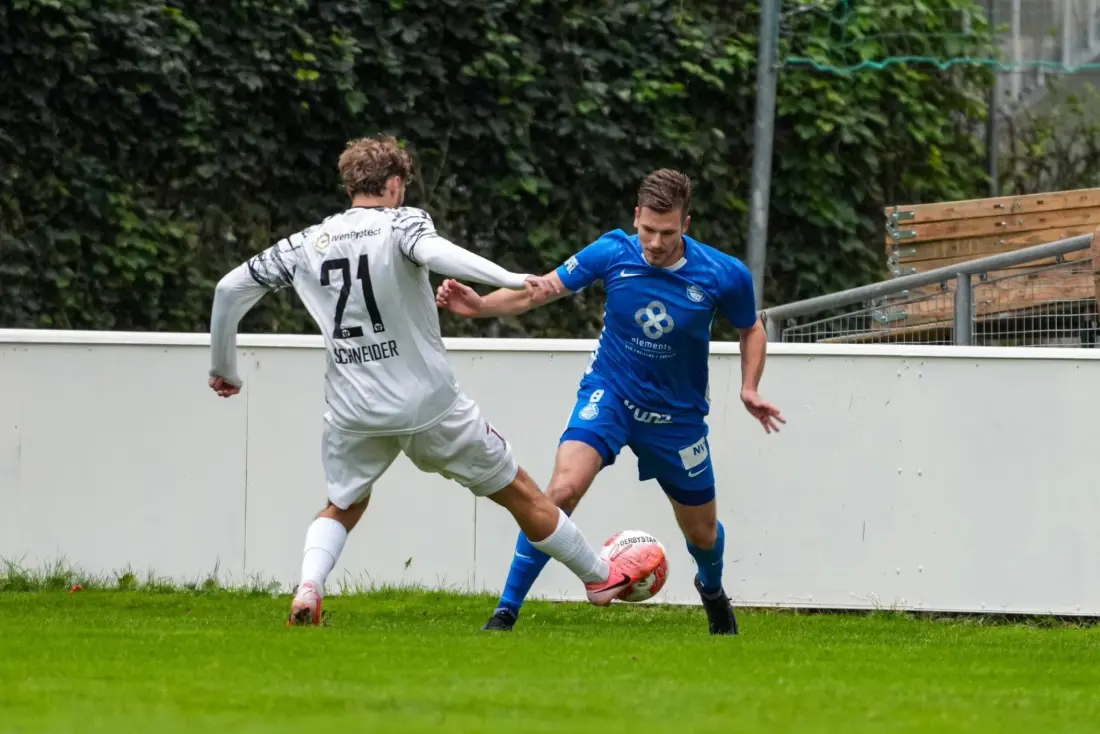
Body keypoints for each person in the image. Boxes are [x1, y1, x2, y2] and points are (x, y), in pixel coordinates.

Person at [206, 135, 663, 625]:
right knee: (521, 493)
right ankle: (599, 576)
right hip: (429, 406)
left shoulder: (304, 243)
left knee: (343, 503)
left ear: (350, 185)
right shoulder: (403, 223)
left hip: (352, 409)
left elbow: (229, 288)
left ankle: (308, 588)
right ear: (395, 184)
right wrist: (512, 279)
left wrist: (224, 368)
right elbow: (438, 253)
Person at [436, 168, 785, 635]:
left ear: (686, 224)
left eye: (667, 233)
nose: (655, 243)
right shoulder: (612, 251)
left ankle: (712, 590)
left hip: (677, 417)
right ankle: (506, 611)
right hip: (610, 395)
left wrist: (749, 387)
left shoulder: (723, 273)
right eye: (648, 229)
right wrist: (480, 306)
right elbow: (542, 289)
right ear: (636, 216)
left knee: (702, 533)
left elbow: (751, 329)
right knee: (562, 491)